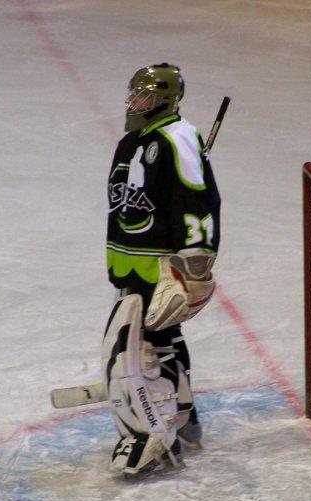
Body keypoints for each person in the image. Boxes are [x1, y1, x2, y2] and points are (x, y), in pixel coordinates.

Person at [101, 63, 221, 475]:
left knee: (151, 345)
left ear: (165, 100)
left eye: (144, 95)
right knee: (152, 340)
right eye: (133, 93)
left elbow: (199, 201)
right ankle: (184, 418)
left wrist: (195, 262)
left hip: (161, 266)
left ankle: (164, 430)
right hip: (132, 263)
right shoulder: (133, 141)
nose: (134, 102)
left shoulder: (177, 137)